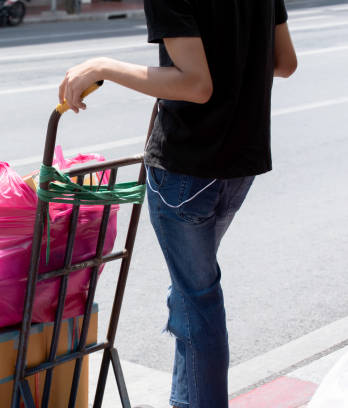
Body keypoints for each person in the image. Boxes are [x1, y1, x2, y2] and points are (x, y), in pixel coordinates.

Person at [58, 0, 297, 407]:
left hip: (189, 168)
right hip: (241, 163)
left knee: (196, 299)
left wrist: (102, 67)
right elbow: (285, 61)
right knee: (191, 292)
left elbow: (196, 85)